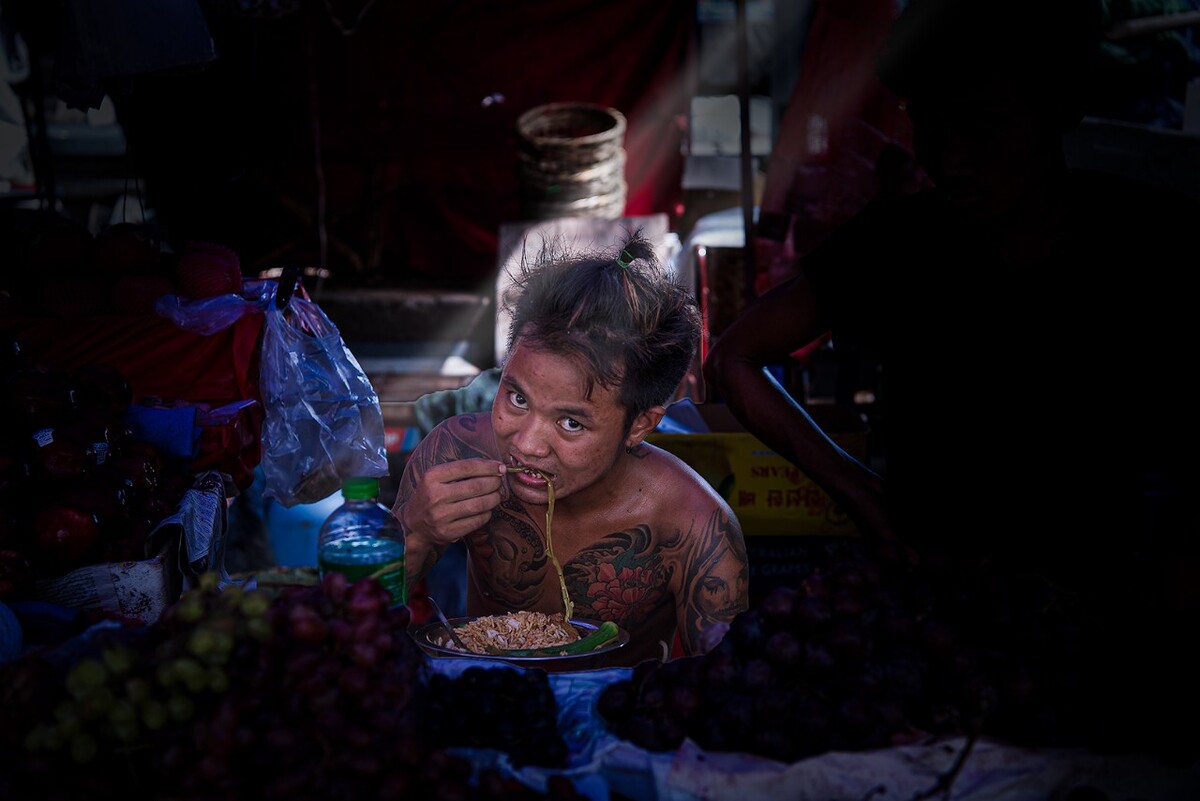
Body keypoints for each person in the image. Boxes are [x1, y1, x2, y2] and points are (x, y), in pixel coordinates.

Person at [703, 0, 1200, 613]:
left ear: (1058, 109)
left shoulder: (1154, 244)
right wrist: (858, 490)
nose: (950, 157)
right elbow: (734, 359)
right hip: (933, 603)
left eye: (984, 125)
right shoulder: (897, 243)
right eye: (929, 125)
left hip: (1103, 603)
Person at [393, 231, 749, 665]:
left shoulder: (692, 525)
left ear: (640, 424)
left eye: (570, 423)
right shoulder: (454, 452)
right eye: (518, 398)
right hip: (487, 706)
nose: (525, 445)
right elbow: (358, 619)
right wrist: (415, 532)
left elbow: (725, 688)